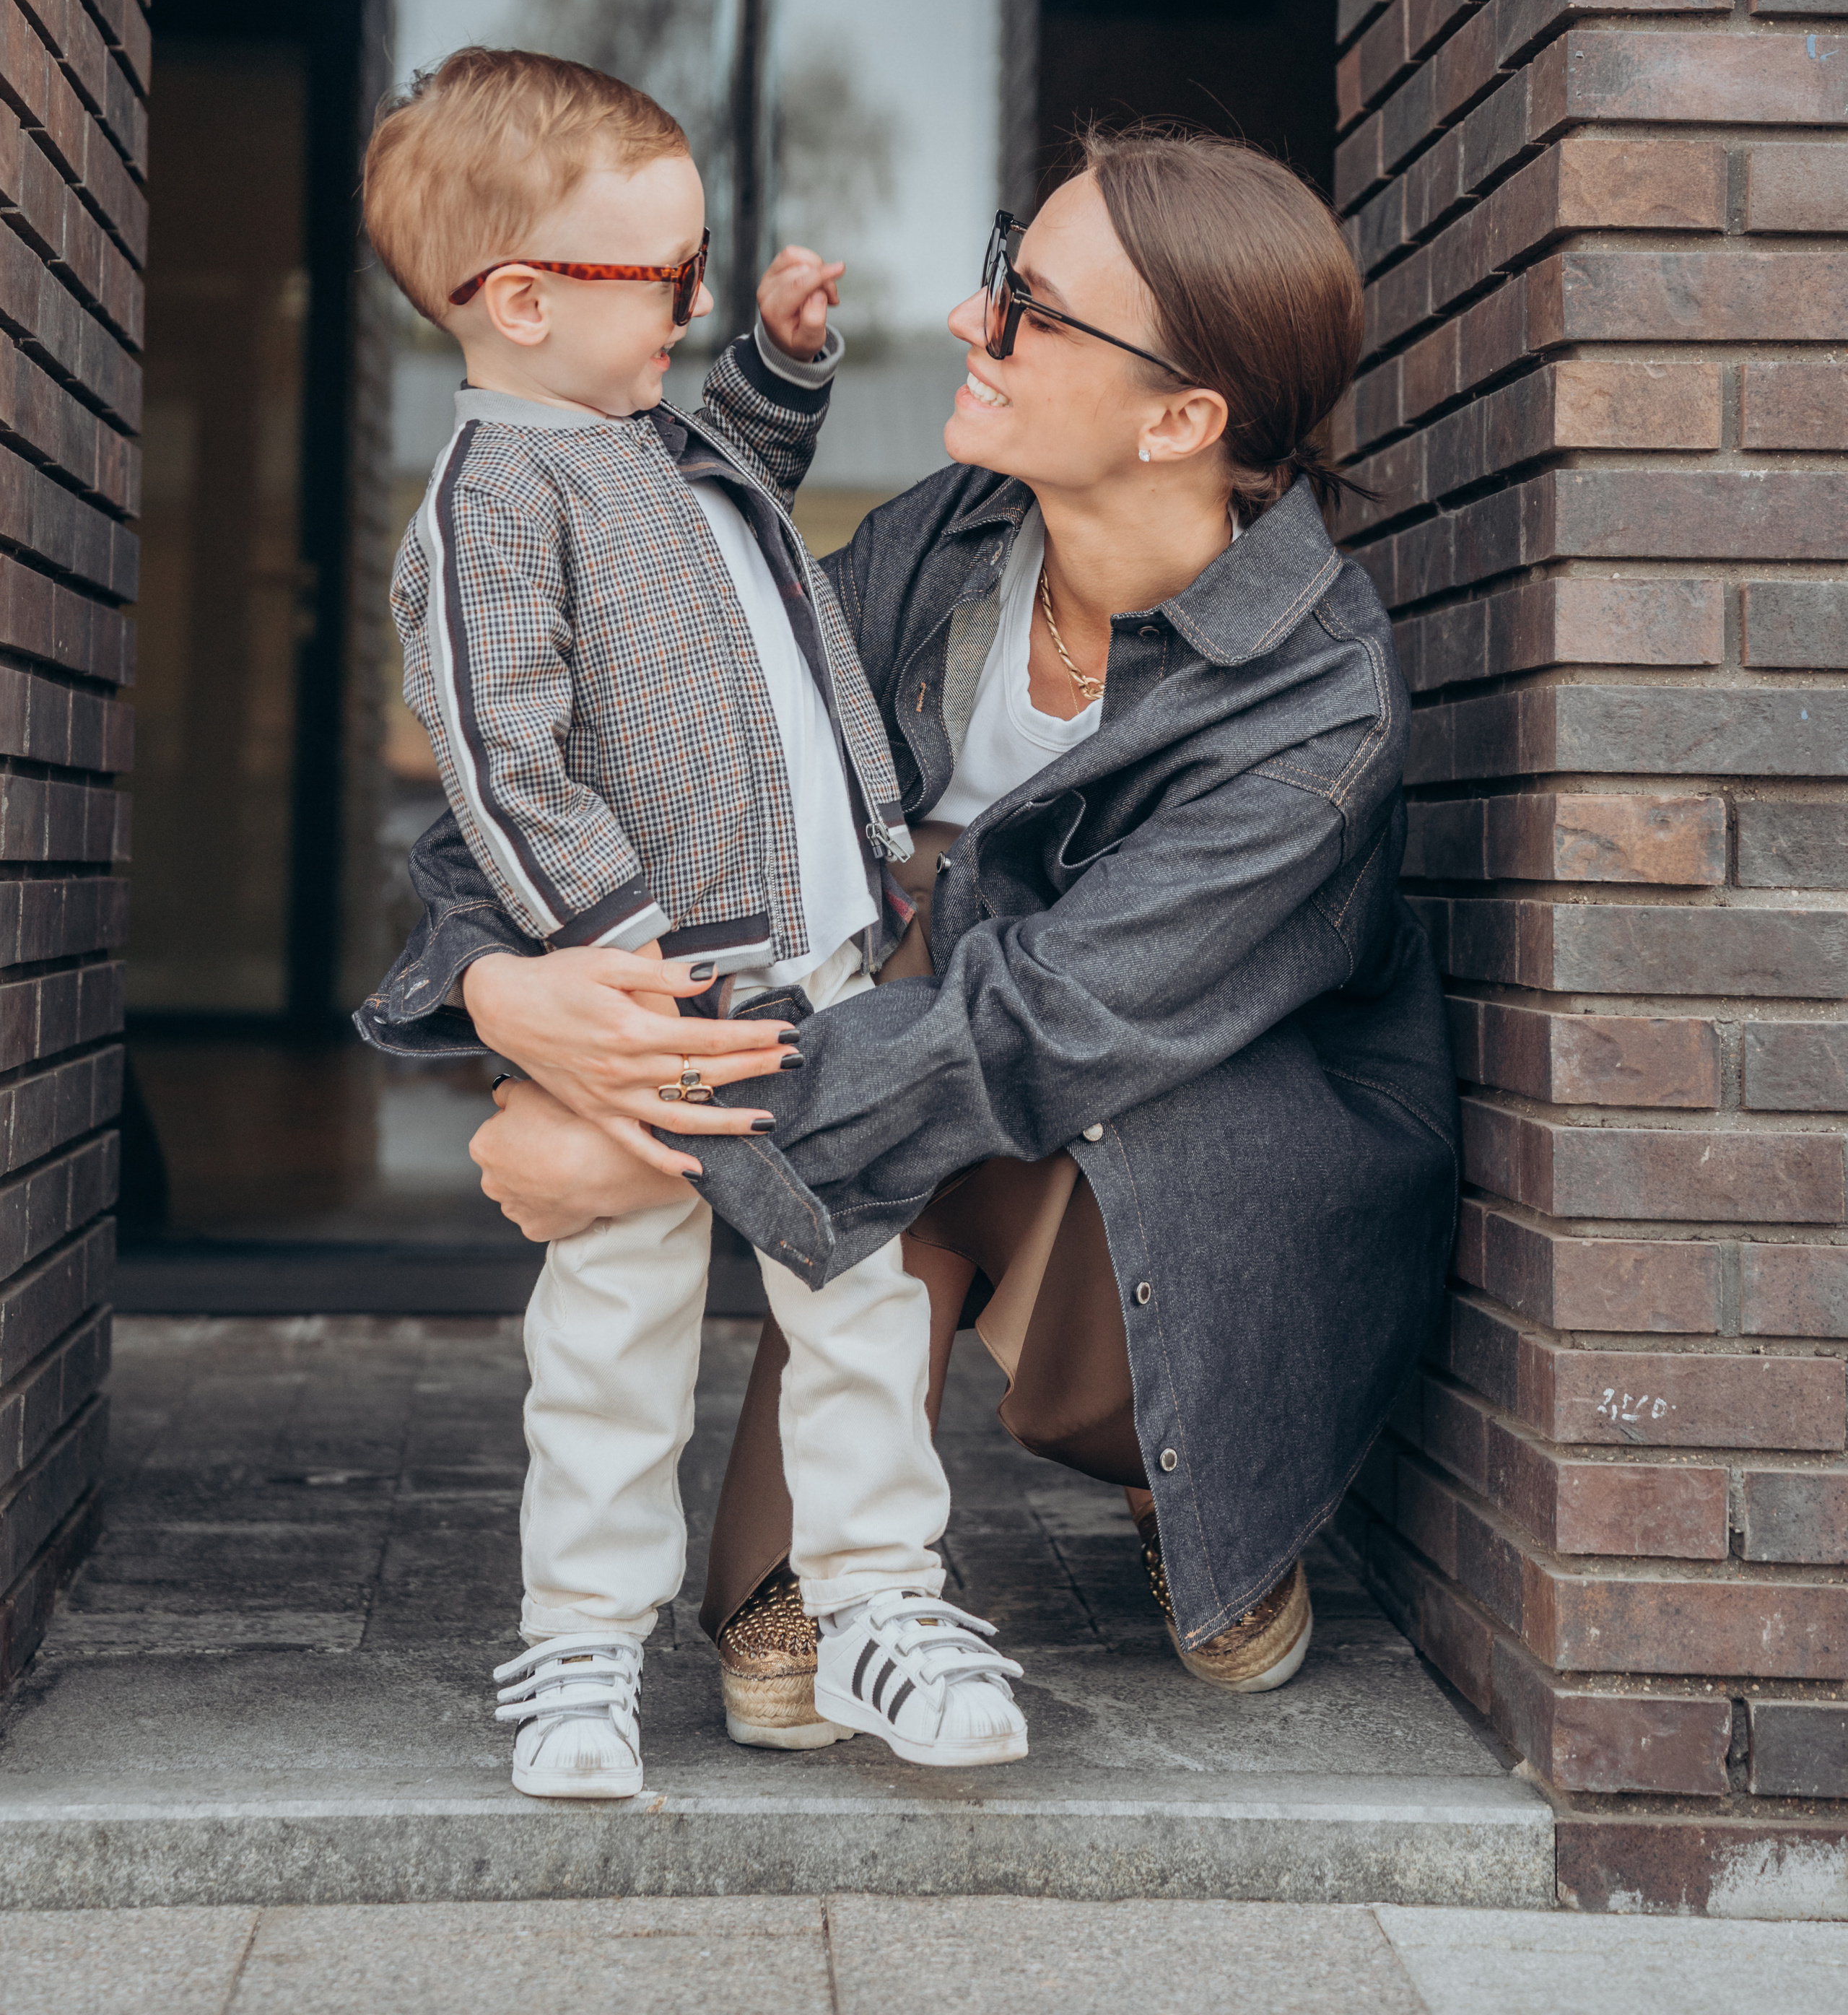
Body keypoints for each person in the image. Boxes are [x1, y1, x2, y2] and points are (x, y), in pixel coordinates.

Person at [365, 124, 1460, 1718]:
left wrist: (648, 1129)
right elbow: (667, 752)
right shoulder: (943, 538)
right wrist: (500, 988)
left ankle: (1197, 1464)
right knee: (774, 1658)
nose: (970, 316)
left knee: (1059, 1088)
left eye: (1031, 306)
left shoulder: (1315, 704)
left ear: (1179, 417)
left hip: (1187, 1124)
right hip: (920, 1082)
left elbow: (1046, 1025)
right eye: (1000, 267)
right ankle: (879, 1525)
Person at [359, 47, 1029, 1799]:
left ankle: (879, 1601)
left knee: (864, 1295)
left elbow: (738, 456)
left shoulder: (655, 437)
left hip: (815, 963)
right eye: (665, 277)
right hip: (662, 990)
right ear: (516, 301)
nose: (697, 295)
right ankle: (581, 1643)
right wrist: (628, 961)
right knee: (614, 1316)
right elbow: (503, 767)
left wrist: (782, 364)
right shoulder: (492, 505)